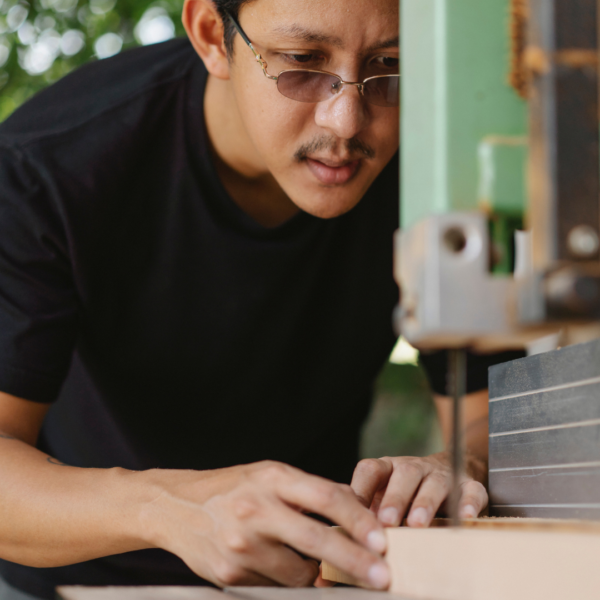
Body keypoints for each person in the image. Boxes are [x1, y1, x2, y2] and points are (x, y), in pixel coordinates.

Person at [0, 0, 523, 598]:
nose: (348, 119)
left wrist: (459, 466)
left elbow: (485, 413)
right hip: (76, 580)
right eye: (302, 62)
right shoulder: (44, 168)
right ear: (212, 37)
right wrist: (169, 509)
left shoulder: (442, 168)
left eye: (392, 65)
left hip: (309, 577)